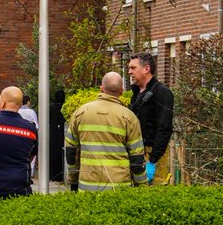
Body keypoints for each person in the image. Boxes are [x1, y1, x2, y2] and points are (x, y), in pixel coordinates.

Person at [65, 72, 145, 191]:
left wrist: (73, 179)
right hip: (119, 188)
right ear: (121, 91)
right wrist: (141, 186)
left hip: (86, 186)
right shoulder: (129, 118)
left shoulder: (80, 113)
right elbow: (137, 158)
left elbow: (71, 151)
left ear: (101, 88)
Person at [127, 53, 175, 186]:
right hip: (137, 153)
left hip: (154, 156)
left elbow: (164, 128)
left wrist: (152, 162)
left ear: (146, 69)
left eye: (133, 68)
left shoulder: (162, 92)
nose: (129, 72)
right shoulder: (136, 93)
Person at [0, 86, 37, 199]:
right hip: (20, 188)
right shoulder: (30, 129)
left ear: (3, 102)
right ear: (20, 105)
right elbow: (31, 155)